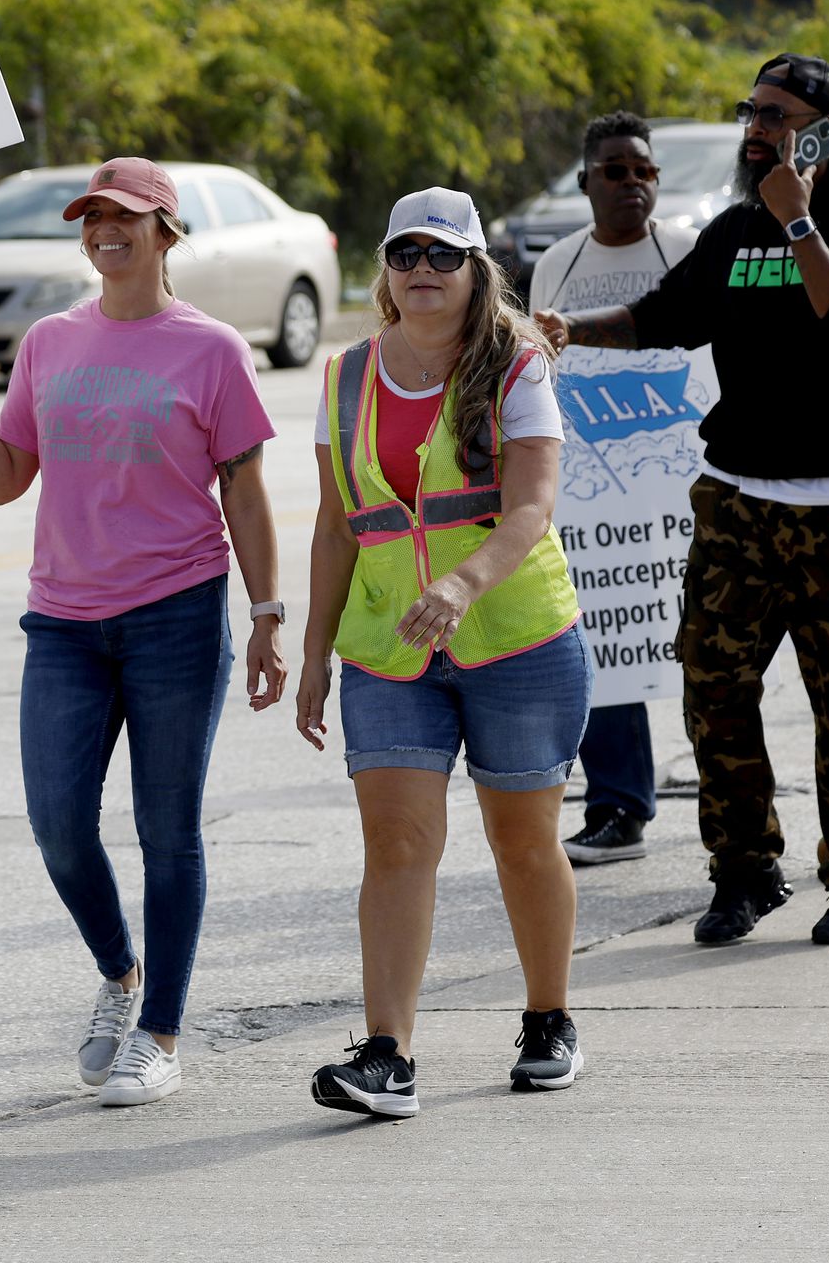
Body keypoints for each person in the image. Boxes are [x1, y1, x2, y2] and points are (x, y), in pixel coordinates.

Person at [0, 156, 284, 1109]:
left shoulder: (211, 349)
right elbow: (6, 478)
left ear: (166, 231)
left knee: (168, 831)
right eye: (92, 217)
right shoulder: (48, 343)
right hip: (66, 624)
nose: (104, 230)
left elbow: (243, 489)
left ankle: (160, 1034)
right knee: (60, 826)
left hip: (176, 616)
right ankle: (120, 977)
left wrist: (269, 615)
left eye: (125, 216)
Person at [535, 53, 829, 948]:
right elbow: (666, 313)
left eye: (778, 116)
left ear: (826, 131)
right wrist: (574, 330)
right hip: (740, 505)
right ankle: (745, 873)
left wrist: (798, 225)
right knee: (715, 692)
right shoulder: (734, 229)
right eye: (750, 111)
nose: (756, 129)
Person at [297, 188, 590, 1119]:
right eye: (405, 254)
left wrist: (462, 586)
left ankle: (549, 1019)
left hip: (514, 638)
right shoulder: (345, 377)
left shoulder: (517, 368)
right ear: (386, 271)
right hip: (390, 647)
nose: (423, 270)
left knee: (522, 842)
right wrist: (312, 651)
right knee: (395, 844)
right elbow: (337, 526)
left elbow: (532, 507)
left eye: (444, 255)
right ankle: (389, 1055)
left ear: (475, 271)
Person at [528, 112, 698, 867]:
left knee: (704, 650)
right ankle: (618, 808)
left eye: (645, 172)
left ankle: (733, 811)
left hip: (686, 491)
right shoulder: (556, 268)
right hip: (594, 501)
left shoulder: (690, 253)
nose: (634, 185)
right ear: (584, 181)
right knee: (606, 644)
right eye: (616, 171)